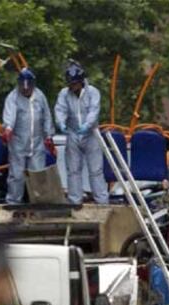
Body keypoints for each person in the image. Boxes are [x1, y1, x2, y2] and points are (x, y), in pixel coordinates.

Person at [55, 60, 108, 205]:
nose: (73, 87)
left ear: (81, 81)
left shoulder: (93, 92)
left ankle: (102, 201)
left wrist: (87, 125)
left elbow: (93, 111)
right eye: (70, 85)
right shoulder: (64, 94)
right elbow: (60, 109)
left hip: (91, 134)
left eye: (75, 84)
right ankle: (74, 201)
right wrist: (61, 122)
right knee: (73, 169)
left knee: (96, 169)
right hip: (73, 133)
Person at [2, 68, 54, 204]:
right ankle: (13, 202)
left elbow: (46, 116)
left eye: (28, 87)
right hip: (18, 142)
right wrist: (8, 128)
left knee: (38, 174)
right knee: (16, 175)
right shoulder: (12, 97)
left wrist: (48, 134)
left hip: (37, 143)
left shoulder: (40, 97)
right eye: (23, 88)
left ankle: (39, 202)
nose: (25, 90)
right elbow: (10, 114)